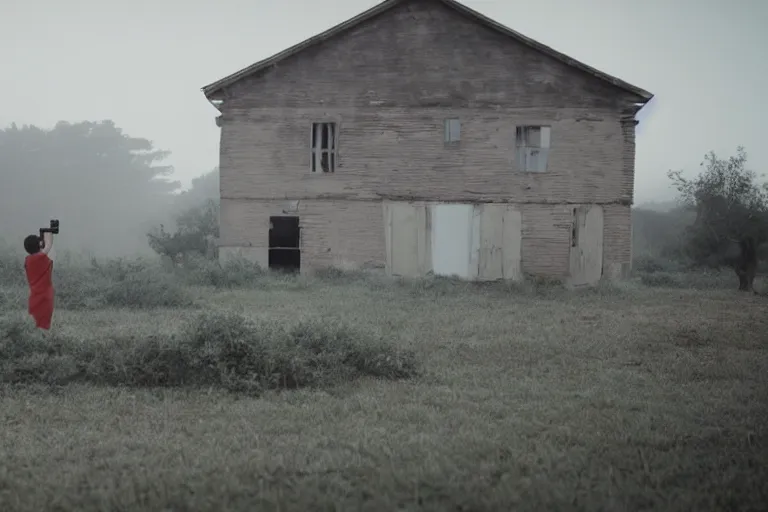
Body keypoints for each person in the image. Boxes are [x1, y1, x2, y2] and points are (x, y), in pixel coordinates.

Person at [23, 231, 55, 330]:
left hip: (36, 297)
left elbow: (45, 250)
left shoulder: (29, 259)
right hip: (44, 298)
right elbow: (48, 245)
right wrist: (49, 232)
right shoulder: (37, 259)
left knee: (36, 328)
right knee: (43, 328)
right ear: (39, 244)